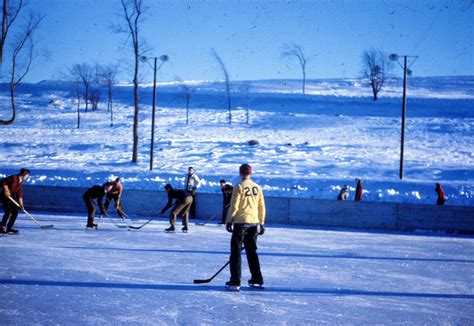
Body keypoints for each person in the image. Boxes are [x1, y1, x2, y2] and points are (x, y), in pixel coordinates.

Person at [225, 164, 265, 291]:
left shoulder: (239, 187)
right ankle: (257, 279)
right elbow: (261, 206)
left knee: (236, 251)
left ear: (240, 174)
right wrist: (261, 222)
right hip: (254, 223)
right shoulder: (257, 187)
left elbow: (234, 205)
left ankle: (235, 280)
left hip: (241, 222)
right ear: (251, 174)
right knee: (252, 252)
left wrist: (229, 220)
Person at [0, 168, 30, 235]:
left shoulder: (20, 182)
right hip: (4, 195)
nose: (27, 177)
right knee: (8, 211)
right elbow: (2, 181)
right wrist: (6, 189)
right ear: (24, 175)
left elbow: (19, 195)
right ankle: (1, 227)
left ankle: (9, 228)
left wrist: (21, 205)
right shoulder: (13, 178)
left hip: (11, 196)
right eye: (27, 175)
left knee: (15, 212)